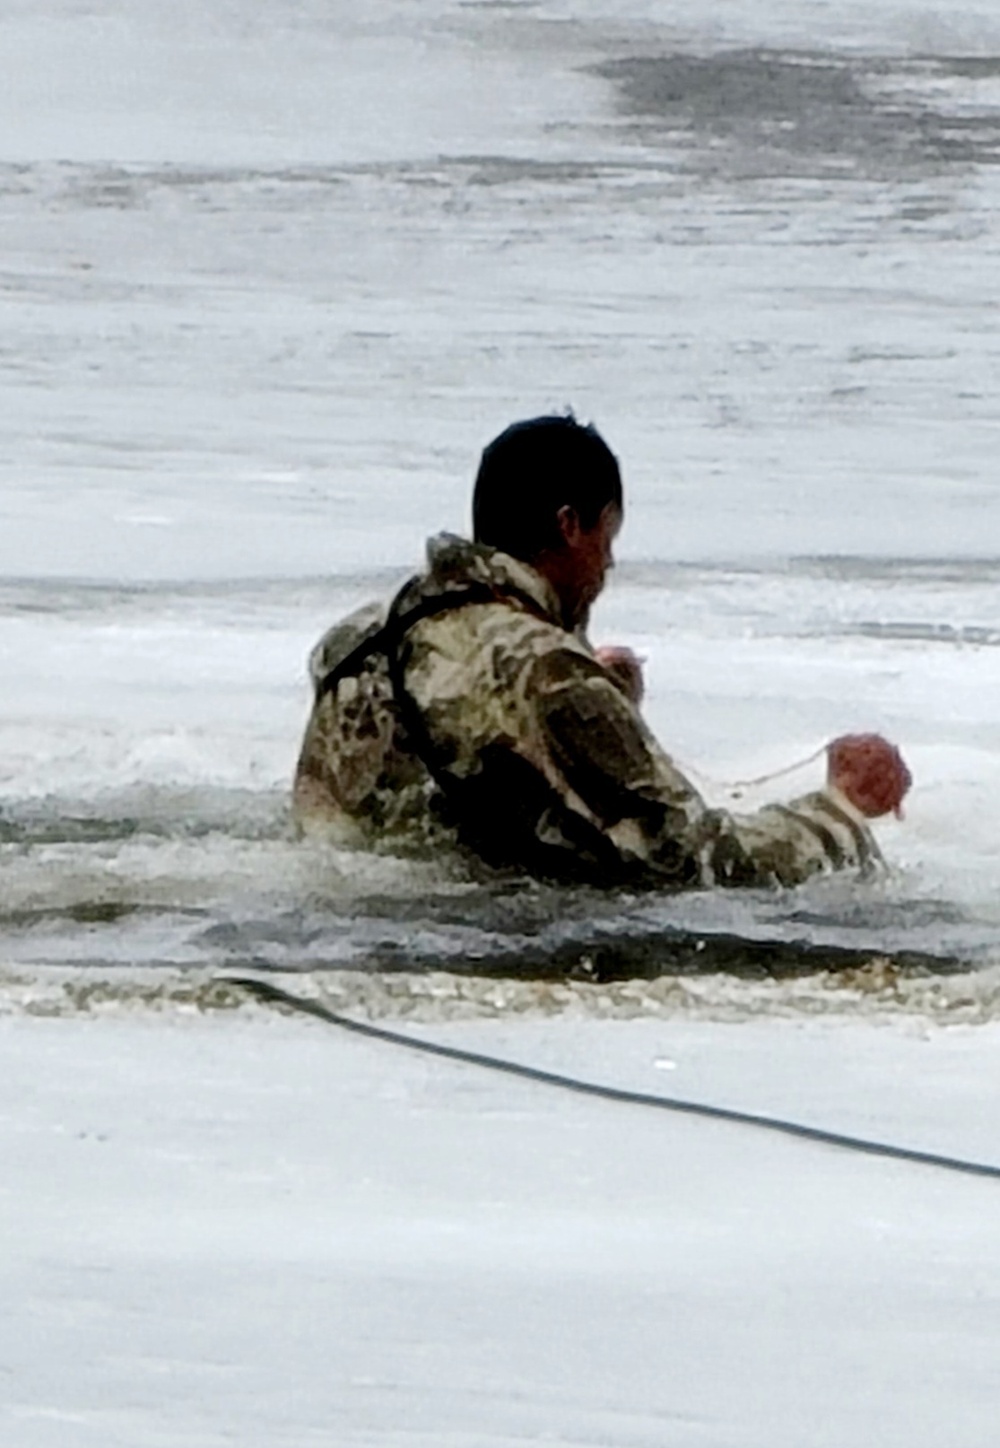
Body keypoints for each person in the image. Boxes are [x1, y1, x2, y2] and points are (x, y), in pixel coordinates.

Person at [293, 415, 911, 889]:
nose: (608, 564)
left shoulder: (360, 637)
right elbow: (695, 861)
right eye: (606, 536)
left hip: (348, 909)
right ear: (569, 525)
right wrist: (840, 813)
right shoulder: (551, 674)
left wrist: (599, 701)